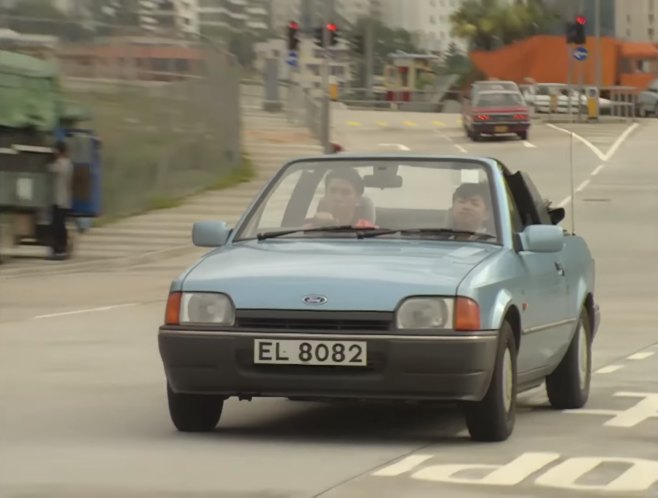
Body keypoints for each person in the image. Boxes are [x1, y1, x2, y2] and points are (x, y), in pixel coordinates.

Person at [304, 167, 376, 228]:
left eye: (345, 192)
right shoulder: (307, 229)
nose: (337, 198)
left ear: (358, 199)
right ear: (325, 194)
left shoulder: (368, 231)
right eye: (332, 191)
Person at [48, 141, 74, 259]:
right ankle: (58, 249)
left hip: (61, 200)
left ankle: (61, 248)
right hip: (61, 200)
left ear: (58, 151)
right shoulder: (67, 163)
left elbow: (50, 169)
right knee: (57, 225)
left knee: (58, 225)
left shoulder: (62, 164)